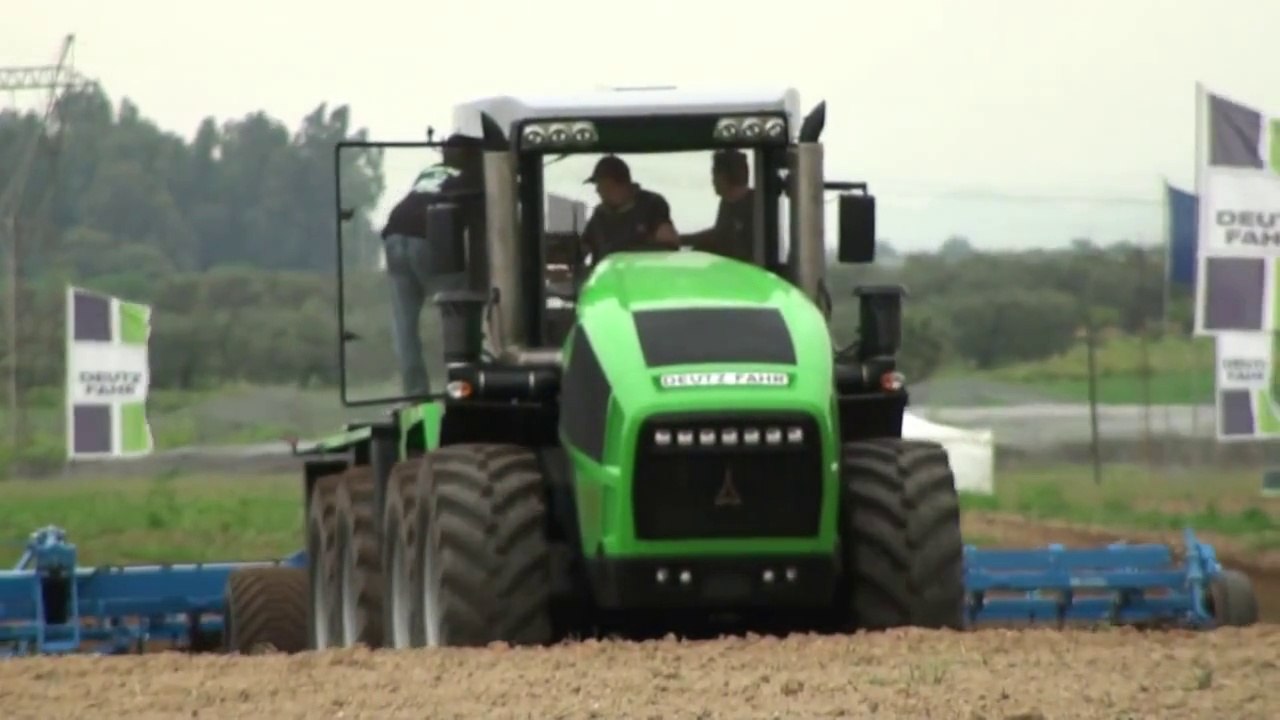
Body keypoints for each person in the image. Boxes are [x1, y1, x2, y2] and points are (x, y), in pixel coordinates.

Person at [381, 136, 476, 396]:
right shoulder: (471, 177)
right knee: (461, 308)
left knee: (404, 324)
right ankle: (464, 385)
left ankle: (415, 394)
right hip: (428, 237)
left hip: (393, 235)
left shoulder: (429, 172)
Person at [580, 155, 679, 264]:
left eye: (603, 186)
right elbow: (583, 248)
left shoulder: (651, 205)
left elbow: (669, 243)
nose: (598, 191)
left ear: (621, 185)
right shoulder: (600, 214)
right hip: (606, 278)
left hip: (641, 275)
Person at [679, 149, 754, 263]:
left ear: (723, 177)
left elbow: (722, 237)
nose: (713, 181)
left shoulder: (754, 207)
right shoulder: (728, 203)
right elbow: (719, 234)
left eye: (714, 174)